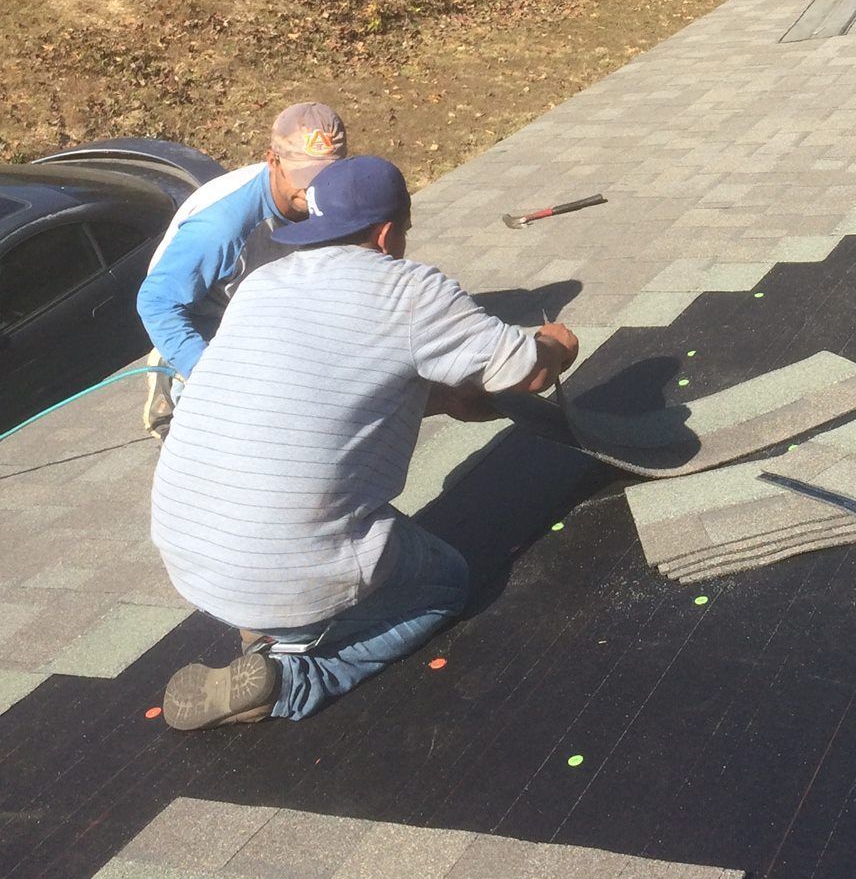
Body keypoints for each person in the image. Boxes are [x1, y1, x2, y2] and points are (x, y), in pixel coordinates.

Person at [151, 155, 579, 730]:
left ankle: (278, 621)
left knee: (305, 531)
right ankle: (293, 678)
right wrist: (555, 344)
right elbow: (523, 373)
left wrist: (446, 401)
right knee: (442, 582)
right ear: (386, 233)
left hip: (192, 552)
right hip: (279, 566)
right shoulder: (408, 291)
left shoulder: (262, 285)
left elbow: (326, 392)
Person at [136, 101, 347, 433]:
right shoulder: (221, 227)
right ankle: (175, 399)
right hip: (206, 323)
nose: (313, 190)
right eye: (303, 177)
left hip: (265, 310)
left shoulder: (333, 196)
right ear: (272, 161)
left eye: (325, 177)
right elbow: (157, 302)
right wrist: (208, 374)